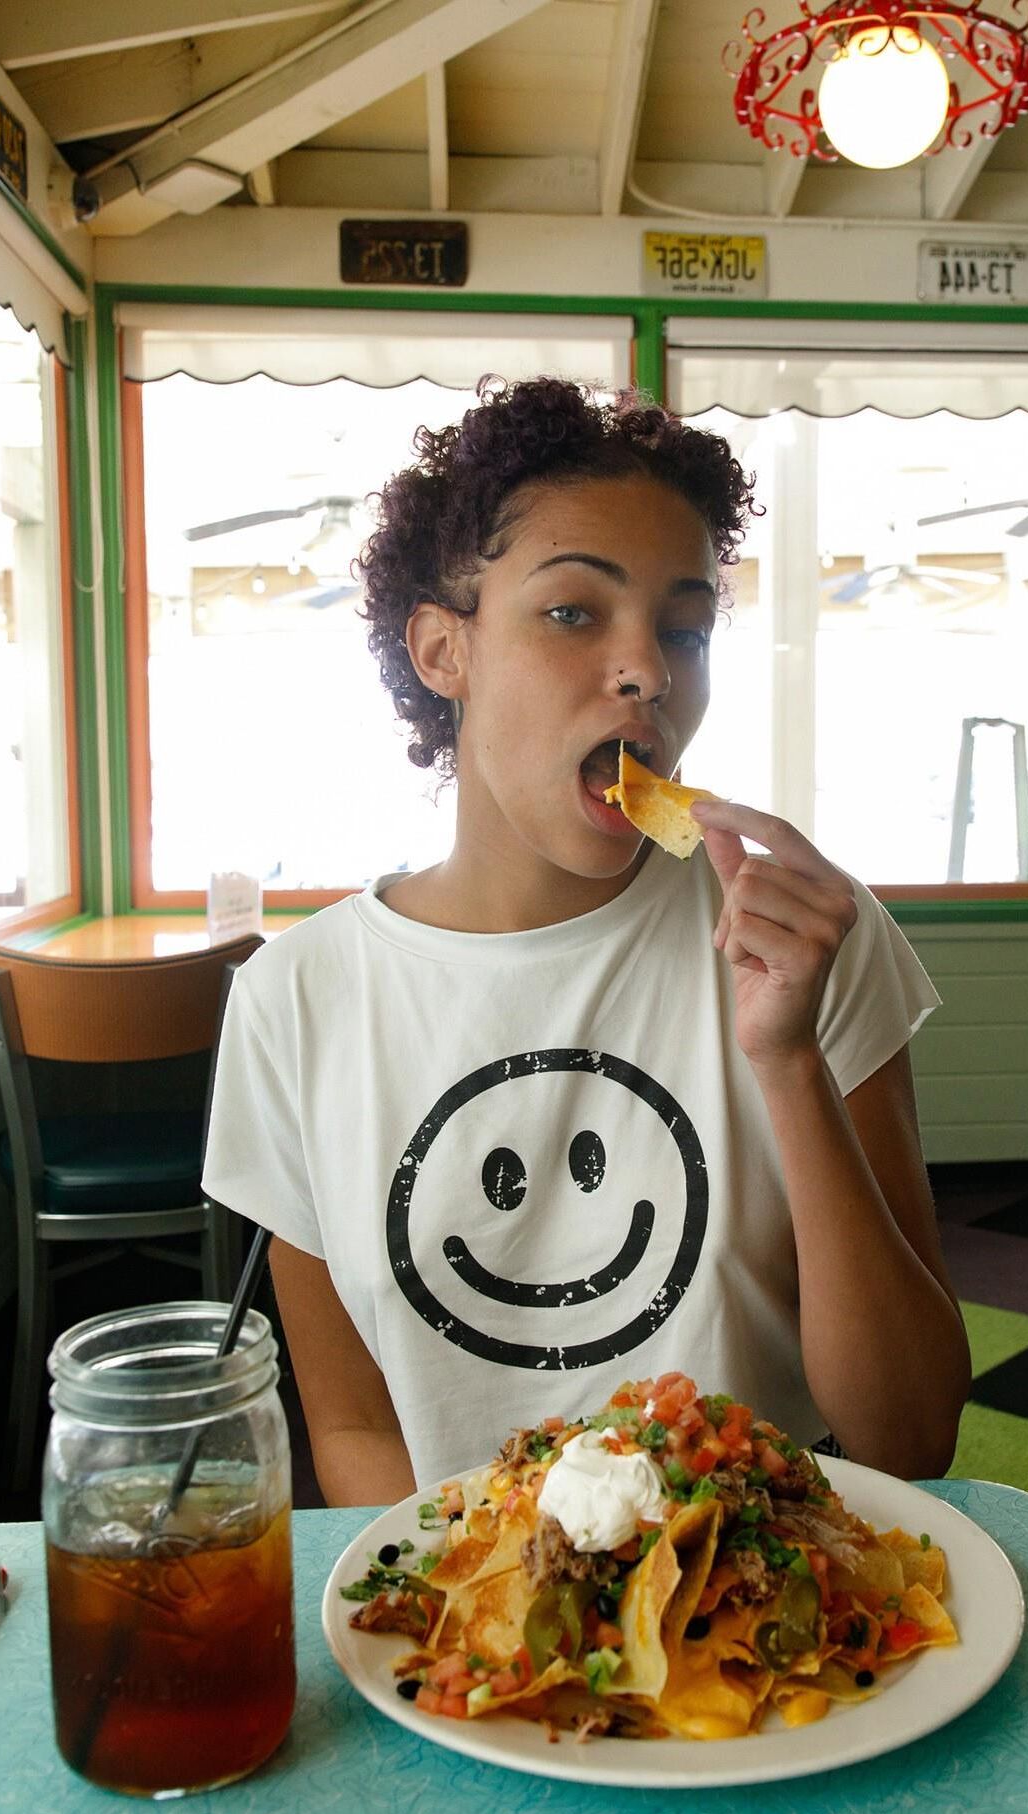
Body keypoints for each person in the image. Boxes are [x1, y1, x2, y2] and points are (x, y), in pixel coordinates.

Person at [202, 377, 970, 1506]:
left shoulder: (807, 936)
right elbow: (360, 1433)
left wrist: (788, 1057)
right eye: (574, 612)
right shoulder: (294, 1003)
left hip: (774, 1617)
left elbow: (910, 1437)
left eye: (686, 628)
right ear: (440, 652)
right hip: (472, 1636)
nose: (650, 672)